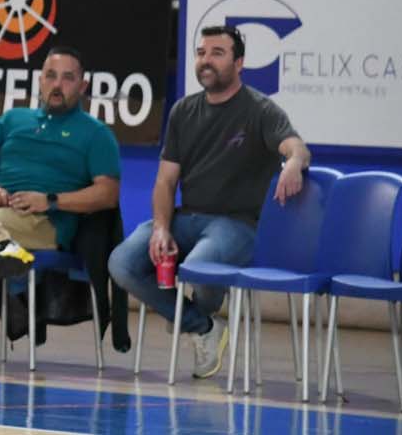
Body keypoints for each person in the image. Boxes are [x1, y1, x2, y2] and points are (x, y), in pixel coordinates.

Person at [109, 26, 310, 379]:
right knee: (122, 262)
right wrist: (161, 227)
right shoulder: (183, 111)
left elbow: (296, 146)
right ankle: (201, 325)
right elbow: (165, 180)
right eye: (202, 53)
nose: (206, 60)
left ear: (239, 62)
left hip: (238, 225)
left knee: (199, 265)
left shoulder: (259, 109)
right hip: (188, 219)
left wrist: (293, 162)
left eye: (217, 53)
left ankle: (190, 319)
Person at [0, 46, 121, 370]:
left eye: (68, 78)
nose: (57, 85)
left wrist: (52, 199)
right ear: (39, 80)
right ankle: (2, 243)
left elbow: (107, 193)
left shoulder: (96, 133)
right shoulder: (13, 119)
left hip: (45, 221)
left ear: (83, 86)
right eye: (50, 76)